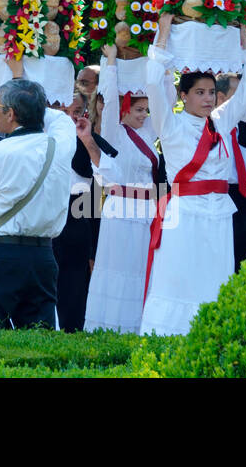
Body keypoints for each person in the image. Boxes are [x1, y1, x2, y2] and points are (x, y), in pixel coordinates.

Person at [141, 15, 246, 337]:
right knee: (179, 277)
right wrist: (163, 33)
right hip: (184, 213)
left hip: (220, 212)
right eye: (199, 92)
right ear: (184, 96)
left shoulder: (223, 121)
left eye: (211, 92)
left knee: (215, 278)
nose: (208, 98)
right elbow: (154, 82)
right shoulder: (170, 124)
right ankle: (167, 339)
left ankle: (211, 340)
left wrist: (245, 37)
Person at [0, 76, 77, 330]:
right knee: (40, 335)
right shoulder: (60, 145)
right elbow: (60, 119)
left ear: (11, 113)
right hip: (42, 256)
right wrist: (34, 105)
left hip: (0, 253)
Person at [85, 45, 161, 334]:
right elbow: (111, 98)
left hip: (148, 211)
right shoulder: (114, 131)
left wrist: (160, 65)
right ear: (126, 108)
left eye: (147, 110)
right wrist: (112, 63)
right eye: (139, 110)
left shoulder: (148, 132)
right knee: (118, 269)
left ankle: (138, 327)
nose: (145, 115)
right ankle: (111, 329)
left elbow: (161, 98)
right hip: (120, 209)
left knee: (142, 269)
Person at [53, 91, 100, 332]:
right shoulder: (43, 138)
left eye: (76, 112)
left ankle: (72, 334)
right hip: (47, 216)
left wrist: (94, 247)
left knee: (74, 287)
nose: (70, 118)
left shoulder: (89, 141)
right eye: (64, 112)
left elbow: (95, 192)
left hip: (77, 216)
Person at [216, 73, 246, 268]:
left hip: (245, 206)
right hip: (220, 200)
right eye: (239, 94)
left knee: (243, 265)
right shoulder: (211, 130)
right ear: (220, 97)